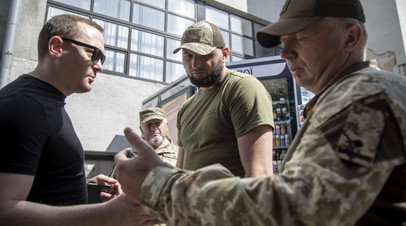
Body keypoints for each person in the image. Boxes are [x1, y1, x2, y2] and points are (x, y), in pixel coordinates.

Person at [114, 0, 406, 225]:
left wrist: (156, 187)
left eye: (300, 38)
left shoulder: (366, 101)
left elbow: (297, 209)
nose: (284, 52)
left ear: (351, 38)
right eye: (283, 41)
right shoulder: (354, 96)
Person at [0, 14, 159, 225]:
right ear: (56, 47)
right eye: (93, 53)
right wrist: (109, 214)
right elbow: (5, 210)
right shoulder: (25, 106)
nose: (99, 66)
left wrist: (83, 185)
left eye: (102, 58)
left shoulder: (45, 104)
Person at [173, 20, 274, 178]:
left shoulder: (241, 88)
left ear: (225, 54)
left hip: (231, 202)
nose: (194, 64)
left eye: (203, 55)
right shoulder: (185, 108)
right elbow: (178, 173)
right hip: (188, 202)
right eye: (188, 55)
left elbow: (260, 176)